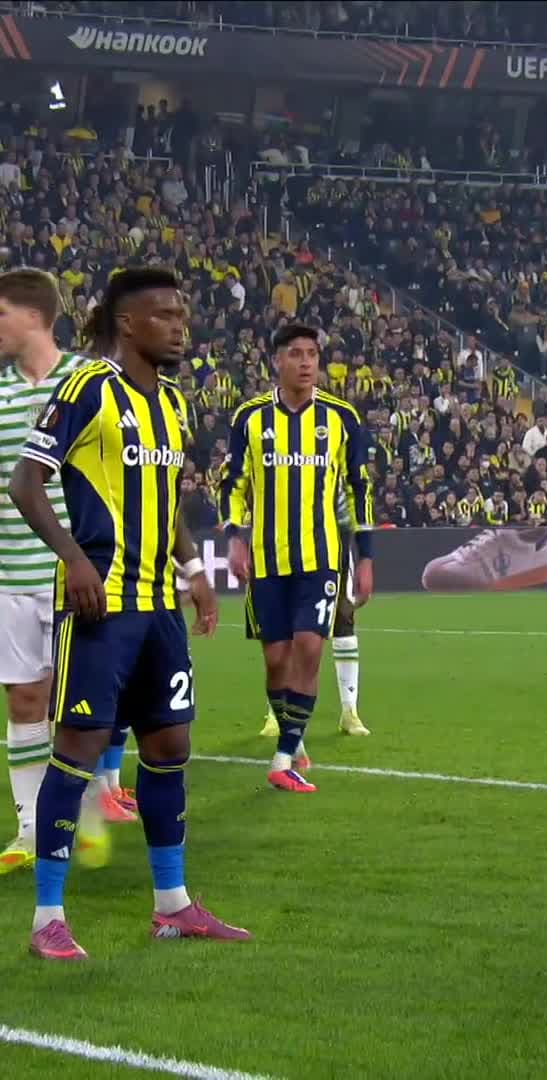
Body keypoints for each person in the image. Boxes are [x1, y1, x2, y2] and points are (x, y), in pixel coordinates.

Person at [10, 268, 251, 960]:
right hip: (101, 607)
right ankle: (47, 918)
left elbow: (166, 503)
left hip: (159, 610)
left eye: (182, 314)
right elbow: (26, 483)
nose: (180, 326)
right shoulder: (87, 389)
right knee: (78, 751)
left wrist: (193, 572)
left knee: (170, 747)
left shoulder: (173, 404)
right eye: (165, 315)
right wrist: (73, 557)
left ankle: (172, 906)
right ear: (127, 323)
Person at [219, 323, 374, 794]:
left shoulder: (342, 418)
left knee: (309, 647)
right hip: (267, 560)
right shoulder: (250, 418)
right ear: (277, 361)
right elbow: (233, 483)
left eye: (312, 354)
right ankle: (294, 733)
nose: (306, 362)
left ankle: (284, 757)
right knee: (276, 660)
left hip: (321, 558)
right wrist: (234, 537)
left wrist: (366, 557)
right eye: (295, 354)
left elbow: (359, 490)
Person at [0, 269, 84, 874]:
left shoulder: (87, 382)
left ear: (34, 316)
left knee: (78, 701)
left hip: (77, 574)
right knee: (25, 697)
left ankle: (82, 811)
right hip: (11, 574)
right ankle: (30, 827)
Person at [260, 486, 369, 740]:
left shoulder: (340, 465)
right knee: (286, 629)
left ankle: (349, 711)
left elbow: (357, 493)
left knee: (343, 620)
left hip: (335, 543)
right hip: (288, 542)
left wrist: (364, 553)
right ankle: (277, 712)